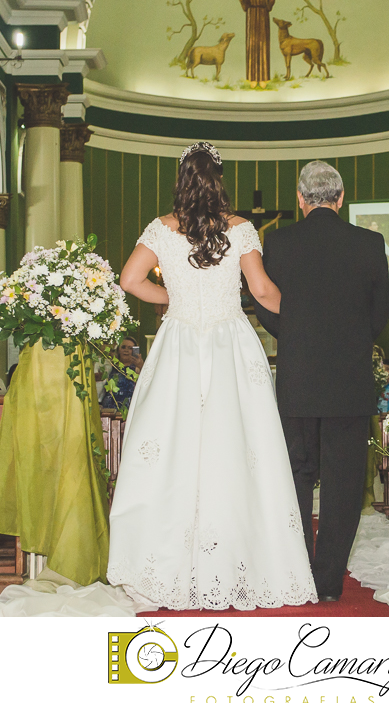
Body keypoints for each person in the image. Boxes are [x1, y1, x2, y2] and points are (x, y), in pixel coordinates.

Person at [107, 141, 317, 610]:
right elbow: (261, 291)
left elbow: (129, 281)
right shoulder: (240, 229)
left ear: (181, 180)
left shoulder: (162, 229)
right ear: (219, 181)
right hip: (229, 344)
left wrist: (174, 299)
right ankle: (243, 561)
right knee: (238, 448)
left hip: (179, 345)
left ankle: (162, 566)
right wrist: (309, 316)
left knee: (172, 449)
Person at [254, 159, 389, 603]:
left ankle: (296, 574)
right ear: (341, 196)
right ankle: (328, 582)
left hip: (297, 379)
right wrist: (350, 344)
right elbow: (380, 315)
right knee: (343, 483)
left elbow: (266, 309)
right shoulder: (370, 243)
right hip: (349, 381)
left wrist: (294, 339)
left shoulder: (278, 242)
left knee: (296, 473)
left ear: (300, 198)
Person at [100, 336, 143, 411]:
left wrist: (141, 365)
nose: (126, 350)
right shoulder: (110, 366)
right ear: (118, 350)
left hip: (130, 410)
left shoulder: (137, 369)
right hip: (109, 410)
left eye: (130, 348)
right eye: (123, 347)